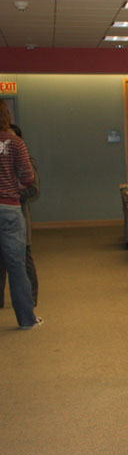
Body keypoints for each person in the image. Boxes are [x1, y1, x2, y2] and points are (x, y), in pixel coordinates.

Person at [0, 101, 41, 328]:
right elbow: (28, 177)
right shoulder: (15, 143)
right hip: (9, 208)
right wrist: (12, 186)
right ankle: (26, 320)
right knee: (17, 266)